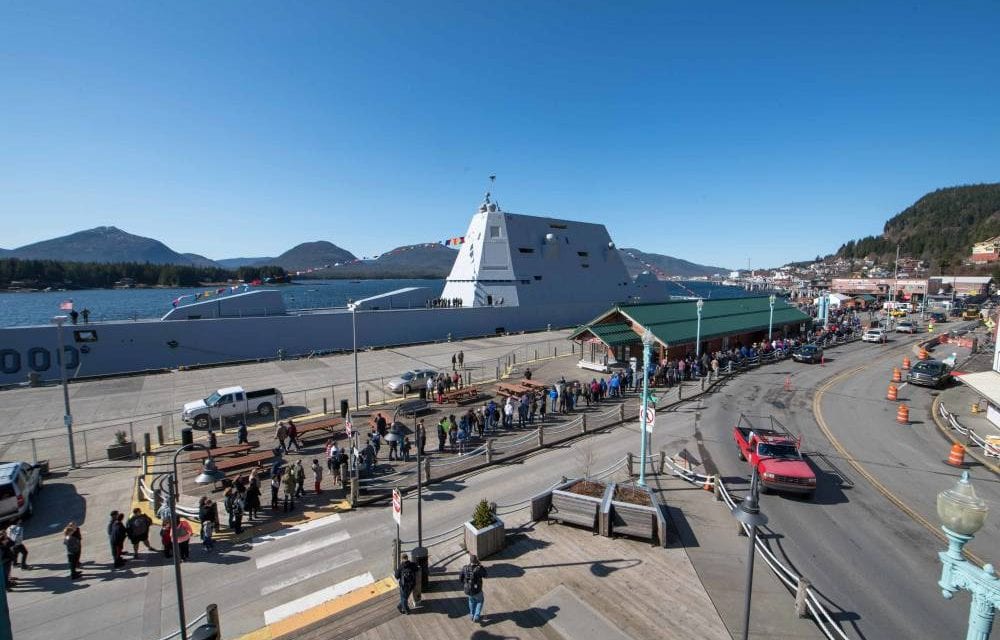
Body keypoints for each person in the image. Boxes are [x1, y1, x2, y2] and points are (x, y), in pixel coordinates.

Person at [460, 554, 488, 623]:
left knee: (471, 601)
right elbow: (486, 575)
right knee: (480, 601)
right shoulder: (479, 568)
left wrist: (466, 584)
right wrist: (480, 566)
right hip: (477, 590)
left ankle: (472, 615)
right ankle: (476, 616)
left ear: (470, 561)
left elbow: (460, 578)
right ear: (476, 560)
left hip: (468, 589)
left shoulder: (465, 568)